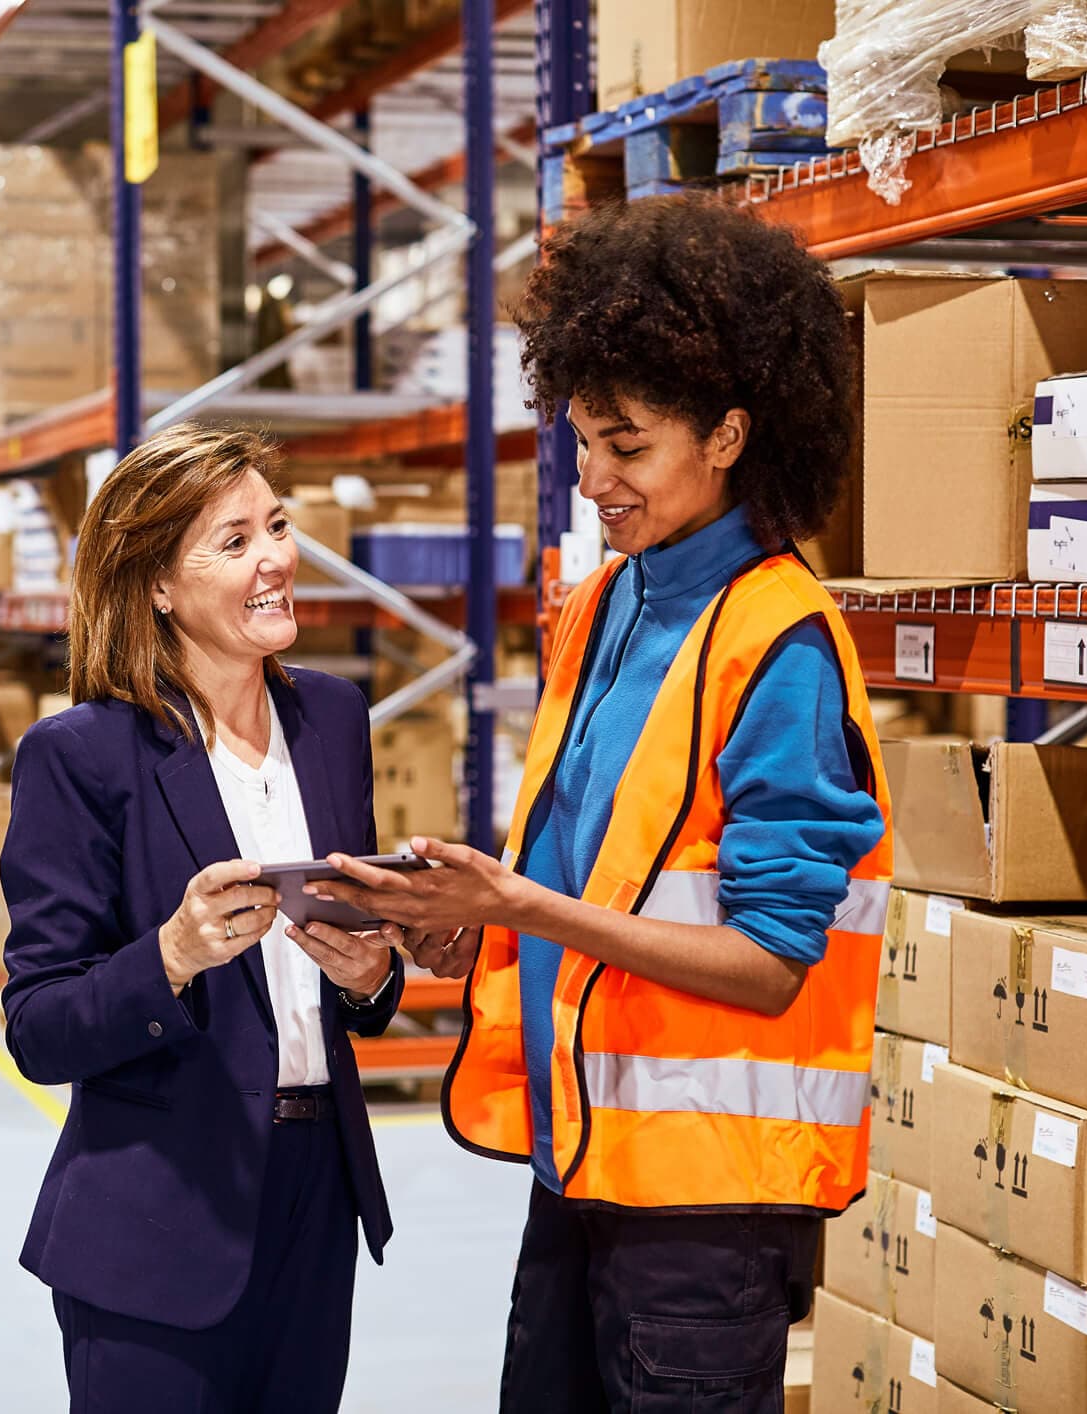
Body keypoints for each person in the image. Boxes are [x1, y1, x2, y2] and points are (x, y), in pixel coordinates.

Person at [307, 196, 894, 1412]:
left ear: (729, 434)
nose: (593, 480)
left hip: (708, 1207)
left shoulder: (779, 642)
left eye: (626, 446)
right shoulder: (608, 605)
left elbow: (770, 962)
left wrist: (515, 897)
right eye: (580, 441)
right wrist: (459, 922)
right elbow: (595, 882)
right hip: (584, 1161)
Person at [0, 422, 406, 1413]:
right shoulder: (85, 756)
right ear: (158, 586)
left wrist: (373, 977)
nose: (274, 558)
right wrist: (171, 955)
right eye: (233, 542)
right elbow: (40, 1024)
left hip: (317, 1197)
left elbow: (351, 965)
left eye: (276, 524)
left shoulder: (335, 721)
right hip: (159, 1213)